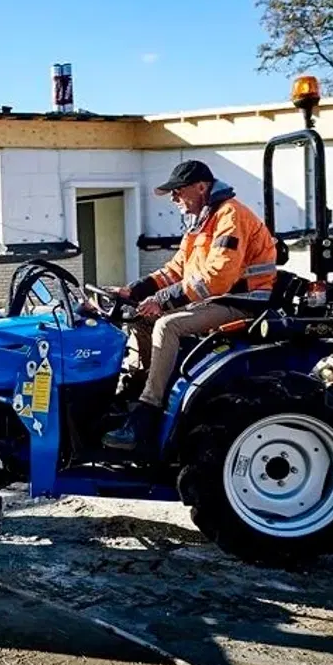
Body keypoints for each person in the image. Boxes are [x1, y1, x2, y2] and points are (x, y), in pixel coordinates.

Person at [101, 159, 278, 452]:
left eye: (178, 191)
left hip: (241, 302)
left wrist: (162, 300)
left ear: (201, 187)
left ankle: (148, 413)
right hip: (216, 299)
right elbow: (175, 269)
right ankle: (137, 391)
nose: (174, 198)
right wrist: (131, 291)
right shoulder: (201, 221)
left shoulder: (230, 217)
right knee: (140, 319)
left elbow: (217, 280)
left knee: (168, 325)